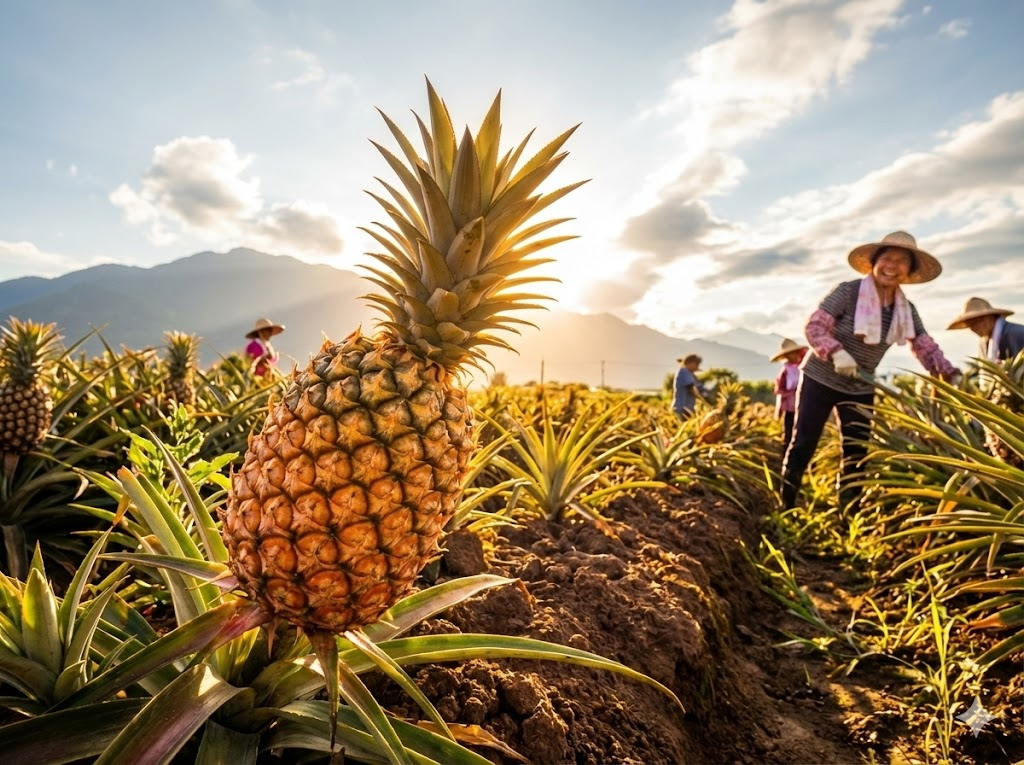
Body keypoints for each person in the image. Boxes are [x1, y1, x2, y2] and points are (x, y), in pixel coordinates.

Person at [781, 231, 960, 513]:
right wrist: (836, 352)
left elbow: (925, 346)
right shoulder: (847, 292)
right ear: (875, 263)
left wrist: (950, 373)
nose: (893, 265)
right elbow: (814, 327)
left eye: (902, 261)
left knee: (856, 452)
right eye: (887, 258)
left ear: (909, 271)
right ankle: (787, 507)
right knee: (803, 442)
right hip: (820, 378)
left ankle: (848, 514)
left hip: (860, 385)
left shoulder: (906, 311)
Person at [946, 297, 1024, 361]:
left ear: (990, 317)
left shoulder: (1016, 334)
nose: (974, 328)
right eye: (970, 325)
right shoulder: (984, 342)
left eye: (976, 322)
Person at [770, 338, 808, 449]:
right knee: (789, 435)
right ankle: (788, 462)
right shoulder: (785, 371)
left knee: (806, 435)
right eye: (790, 353)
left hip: (805, 406)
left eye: (794, 352)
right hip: (790, 408)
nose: (793, 355)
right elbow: (780, 391)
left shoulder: (805, 366)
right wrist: (779, 410)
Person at [672, 353, 706, 418]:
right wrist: (703, 400)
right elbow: (691, 387)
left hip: (687, 409)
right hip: (682, 409)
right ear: (692, 363)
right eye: (697, 364)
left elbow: (699, 387)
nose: (697, 367)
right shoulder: (683, 371)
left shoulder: (689, 373)